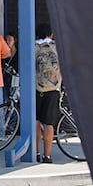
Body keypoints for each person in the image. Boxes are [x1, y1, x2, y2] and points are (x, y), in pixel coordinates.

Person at [33, 22, 63, 164]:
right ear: (51, 34)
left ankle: (36, 153)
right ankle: (48, 156)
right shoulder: (57, 47)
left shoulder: (33, 47)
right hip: (53, 89)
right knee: (49, 123)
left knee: (36, 122)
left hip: (36, 88)